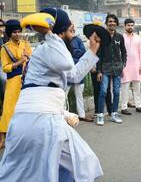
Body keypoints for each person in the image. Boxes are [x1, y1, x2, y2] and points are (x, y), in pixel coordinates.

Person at [0, 9, 103, 181]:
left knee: (25, 172)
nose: (72, 26)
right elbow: (67, 63)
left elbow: (74, 74)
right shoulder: (48, 48)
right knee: (80, 163)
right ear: (59, 29)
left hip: (31, 121)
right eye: (67, 23)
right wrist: (49, 33)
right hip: (41, 123)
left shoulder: (50, 51)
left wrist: (92, 49)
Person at [0, 20, 32, 149]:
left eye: (19, 31)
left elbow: (31, 59)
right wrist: (19, 63)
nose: (17, 34)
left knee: (25, 108)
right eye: (14, 32)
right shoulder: (5, 48)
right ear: (9, 33)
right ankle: (3, 136)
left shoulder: (26, 44)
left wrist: (27, 59)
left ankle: (24, 136)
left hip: (26, 80)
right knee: (9, 109)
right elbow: (5, 67)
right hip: (13, 81)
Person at [96, 14, 127, 126]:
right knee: (104, 91)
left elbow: (124, 52)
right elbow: (98, 54)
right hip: (105, 68)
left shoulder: (119, 37)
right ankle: (100, 115)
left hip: (117, 68)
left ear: (117, 24)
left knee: (116, 91)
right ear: (106, 23)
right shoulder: (102, 37)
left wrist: (123, 63)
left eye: (114, 21)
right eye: (110, 21)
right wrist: (99, 70)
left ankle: (114, 113)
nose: (112, 23)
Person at [121, 18, 141, 115]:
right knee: (125, 88)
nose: (130, 27)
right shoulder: (121, 37)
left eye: (132, 25)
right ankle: (124, 107)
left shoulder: (138, 38)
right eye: (128, 25)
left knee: (137, 87)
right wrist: (120, 66)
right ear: (125, 26)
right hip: (125, 66)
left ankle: (138, 106)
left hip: (136, 66)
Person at [66, 35, 94, 122]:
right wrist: (75, 52)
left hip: (79, 70)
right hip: (68, 71)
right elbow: (66, 54)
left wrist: (74, 52)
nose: (72, 31)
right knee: (63, 95)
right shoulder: (63, 40)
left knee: (79, 95)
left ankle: (82, 115)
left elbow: (83, 52)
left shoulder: (78, 40)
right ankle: (64, 116)